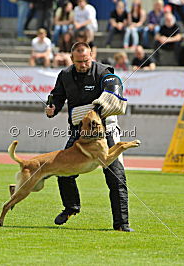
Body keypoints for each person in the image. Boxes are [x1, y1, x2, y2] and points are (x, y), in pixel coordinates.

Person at [45, 42, 134, 232]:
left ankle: (122, 224)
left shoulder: (103, 72)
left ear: (91, 55)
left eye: (86, 60)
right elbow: (56, 96)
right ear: (72, 59)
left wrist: (108, 98)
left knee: (116, 178)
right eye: (79, 62)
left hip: (106, 131)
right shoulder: (65, 75)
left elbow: (114, 88)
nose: (83, 64)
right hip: (79, 132)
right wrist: (52, 107)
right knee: (63, 171)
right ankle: (71, 207)